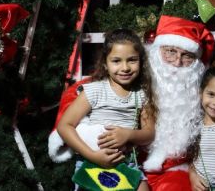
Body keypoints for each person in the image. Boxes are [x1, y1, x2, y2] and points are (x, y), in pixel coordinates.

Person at [127, 15, 215, 190]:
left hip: (175, 168)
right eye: (170, 51)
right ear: (156, 51)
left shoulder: (198, 92)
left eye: (187, 56)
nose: (177, 62)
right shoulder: (136, 77)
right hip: (130, 164)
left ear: (197, 63)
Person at [56, 29, 157, 191]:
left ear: (141, 61)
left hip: (127, 164)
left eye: (132, 60)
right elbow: (64, 126)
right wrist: (93, 156)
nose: (125, 68)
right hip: (92, 162)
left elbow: (149, 133)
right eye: (116, 61)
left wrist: (128, 134)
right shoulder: (94, 91)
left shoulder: (142, 95)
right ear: (105, 63)